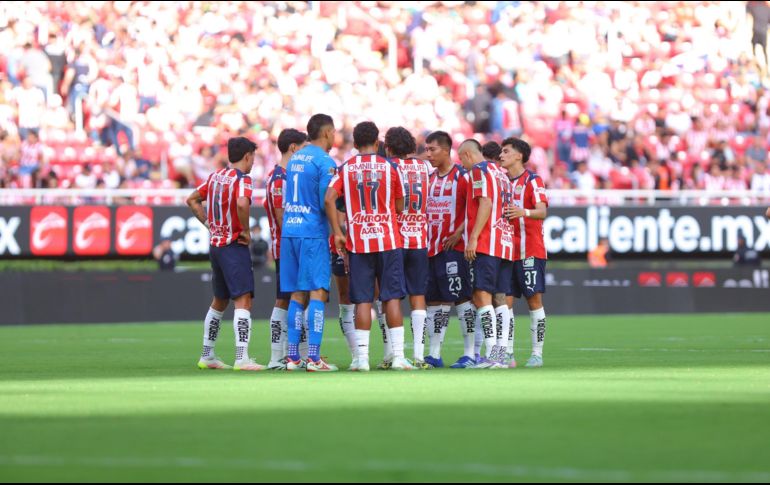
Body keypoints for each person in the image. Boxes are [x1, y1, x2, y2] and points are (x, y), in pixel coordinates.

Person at [326, 121, 414, 372]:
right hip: (388, 241)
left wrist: (337, 232)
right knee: (391, 299)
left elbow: (329, 199)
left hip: (359, 242)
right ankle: (397, 357)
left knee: (363, 300)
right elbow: (399, 206)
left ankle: (362, 359)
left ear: (355, 144)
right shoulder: (390, 168)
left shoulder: (346, 168)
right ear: (378, 143)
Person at [187, 136, 264, 371]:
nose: (253, 162)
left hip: (216, 245)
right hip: (233, 244)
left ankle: (207, 355)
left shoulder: (215, 177)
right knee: (243, 300)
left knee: (219, 300)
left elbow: (191, 199)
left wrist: (209, 224)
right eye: (253, 157)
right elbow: (242, 204)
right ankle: (242, 358)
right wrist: (246, 231)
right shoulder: (243, 180)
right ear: (247, 156)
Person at [281, 114, 339, 372]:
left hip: (290, 231)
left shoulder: (295, 158)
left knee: (296, 293)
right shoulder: (324, 161)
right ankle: (314, 358)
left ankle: (293, 357)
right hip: (312, 232)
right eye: (334, 132)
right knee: (318, 291)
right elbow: (327, 200)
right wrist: (338, 230)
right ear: (327, 133)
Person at [422, 131, 476, 369]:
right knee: (434, 301)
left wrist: (459, 231)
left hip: (456, 247)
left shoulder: (463, 177)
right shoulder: (429, 178)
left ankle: (470, 353)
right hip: (431, 248)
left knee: (462, 297)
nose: (428, 154)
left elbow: (474, 208)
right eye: (426, 149)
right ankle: (434, 354)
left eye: (432, 149)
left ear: (446, 150)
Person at [460, 139, 513, 368]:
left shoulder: (478, 171)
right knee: (500, 300)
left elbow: (486, 203)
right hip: (505, 242)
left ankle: (492, 354)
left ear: (469, 156)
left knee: (481, 296)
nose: (461, 165)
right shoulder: (501, 173)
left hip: (487, 242)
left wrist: (472, 238)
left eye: (461, 159)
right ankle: (501, 355)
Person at [385, 126, 433, 368]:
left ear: (389, 147)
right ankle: (419, 355)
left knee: (391, 296)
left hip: (396, 238)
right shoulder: (424, 167)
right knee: (418, 296)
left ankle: (391, 354)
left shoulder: (390, 167)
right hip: (420, 238)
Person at [501, 137, 550, 368]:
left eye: (506, 151)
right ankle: (508, 354)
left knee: (534, 300)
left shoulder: (533, 180)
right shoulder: (500, 181)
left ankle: (537, 354)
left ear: (519, 155)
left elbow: (542, 211)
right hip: (507, 252)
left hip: (530, 250)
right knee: (505, 302)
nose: (501, 155)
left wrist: (524, 212)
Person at [264, 128, 307, 370]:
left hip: (284, 245)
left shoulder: (274, 175)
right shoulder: (282, 177)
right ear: (293, 147)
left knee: (290, 299)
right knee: (286, 300)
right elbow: (281, 215)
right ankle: (277, 356)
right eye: (302, 147)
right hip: (288, 246)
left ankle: (292, 355)